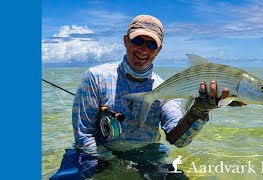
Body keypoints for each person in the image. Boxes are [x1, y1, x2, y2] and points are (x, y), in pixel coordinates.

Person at [50, 14, 244, 180]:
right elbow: (84, 135)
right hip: (96, 152)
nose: (143, 49)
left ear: (159, 50)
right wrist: (115, 163)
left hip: (146, 155)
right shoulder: (95, 77)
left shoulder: (166, 88)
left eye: (151, 44)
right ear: (126, 40)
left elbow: (178, 140)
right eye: (138, 41)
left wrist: (198, 111)